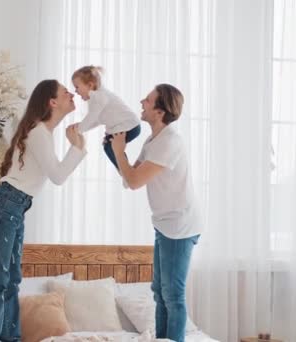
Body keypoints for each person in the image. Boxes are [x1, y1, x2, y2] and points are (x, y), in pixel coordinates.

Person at [0, 79, 86, 342]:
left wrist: (76, 147)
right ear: (52, 102)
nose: (71, 94)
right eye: (65, 92)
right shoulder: (38, 132)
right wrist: (78, 148)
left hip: (14, 207)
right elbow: (58, 176)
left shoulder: (42, 133)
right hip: (7, 205)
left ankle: (10, 338)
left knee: (11, 280)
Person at [110, 84, 202, 342]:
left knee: (172, 294)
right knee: (160, 292)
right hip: (165, 223)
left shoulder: (169, 141)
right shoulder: (153, 140)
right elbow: (130, 179)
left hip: (180, 225)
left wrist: (119, 151)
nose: (142, 101)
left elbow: (135, 180)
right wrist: (116, 151)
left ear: (160, 111)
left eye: (148, 100)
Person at [70, 65, 141, 171]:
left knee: (109, 146)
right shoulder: (97, 97)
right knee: (109, 146)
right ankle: (126, 171)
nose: (75, 91)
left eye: (77, 87)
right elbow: (98, 120)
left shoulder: (98, 97)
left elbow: (92, 117)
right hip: (130, 126)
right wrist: (80, 129)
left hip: (128, 126)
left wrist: (80, 129)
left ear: (89, 85)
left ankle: (125, 171)